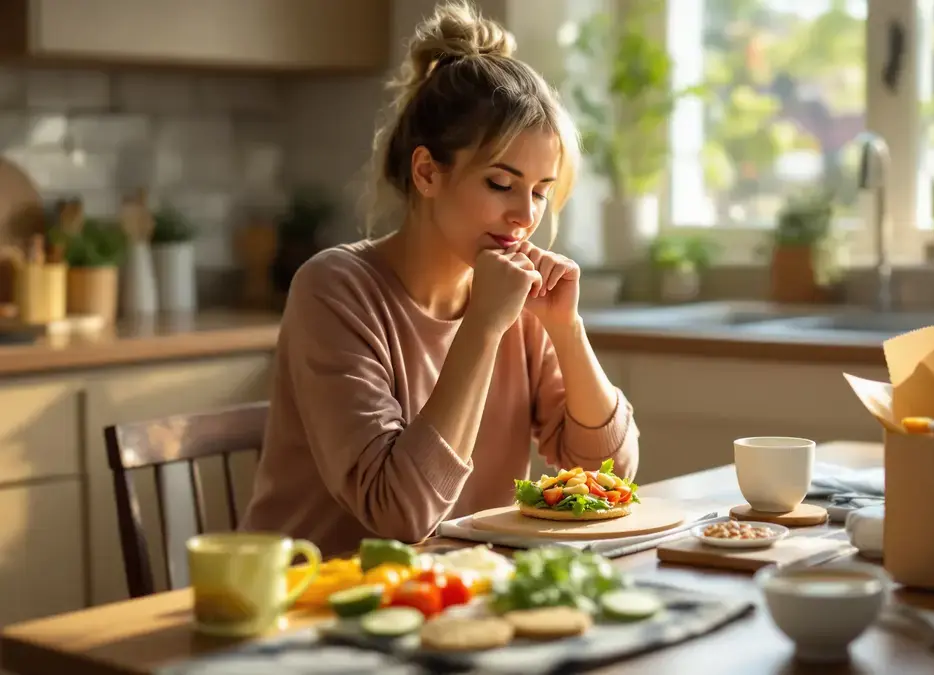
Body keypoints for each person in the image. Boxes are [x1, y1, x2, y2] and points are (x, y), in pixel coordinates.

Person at [240, 0, 639, 553]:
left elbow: (611, 476)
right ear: (427, 172)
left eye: (541, 192)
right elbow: (399, 514)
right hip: (320, 607)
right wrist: (481, 328)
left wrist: (565, 331)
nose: (525, 215)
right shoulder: (333, 290)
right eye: (501, 184)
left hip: (463, 598)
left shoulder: (515, 302)